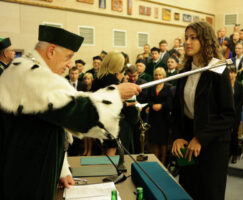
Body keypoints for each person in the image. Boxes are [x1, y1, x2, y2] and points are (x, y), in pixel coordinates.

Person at [0, 25, 141, 199]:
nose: (70, 65)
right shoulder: (27, 73)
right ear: (51, 51)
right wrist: (116, 93)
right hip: (24, 181)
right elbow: (77, 114)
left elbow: (54, 125)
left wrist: (62, 170)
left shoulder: (35, 71)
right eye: (68, 57)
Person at [171, 21, 235, 200]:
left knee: (210, 194)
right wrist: (177, 136)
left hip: (213, 145)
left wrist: (200, 138)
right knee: (188, 193)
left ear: (205, 40)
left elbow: (228, 115)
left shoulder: (218, 68)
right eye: (186, 38)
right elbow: (177, 111)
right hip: (189, 143)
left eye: (193, 38)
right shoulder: (184, 71)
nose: (187, 42)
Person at [147, 67, 172, 165]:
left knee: (163, 141)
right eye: (156, 75)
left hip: (164, 117)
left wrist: (161, 105)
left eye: (160, 75)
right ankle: (156, 160)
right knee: (154, 140)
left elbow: (169, 102)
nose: (158, 77)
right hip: (153, 117)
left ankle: (163, 161)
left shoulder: (168, 87)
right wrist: (152, 105)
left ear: (164, 76)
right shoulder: (151, 86)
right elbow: (148, 100)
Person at [228, 65, 243, 164]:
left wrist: (233, 111)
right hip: (224, 114)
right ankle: (227, 153)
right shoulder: (224, 84)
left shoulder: (239, 85)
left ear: (236, 74)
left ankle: (234, 154)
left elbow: (241, 101)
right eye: (229, 72)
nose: (231, 74)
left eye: (233, 72)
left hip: (235, 115)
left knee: (234, 135)